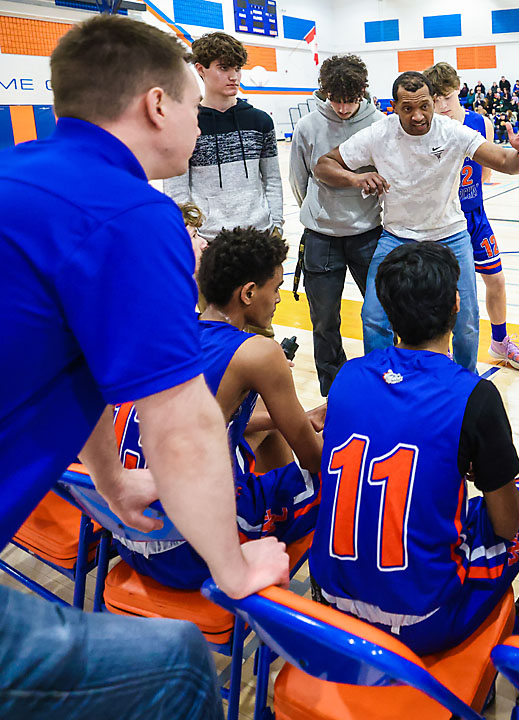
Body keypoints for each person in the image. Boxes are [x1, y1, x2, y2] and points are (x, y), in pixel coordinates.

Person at [0, 15, 289, 718]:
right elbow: (181, 424)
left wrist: (109, 475)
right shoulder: (129, 211)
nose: (199, 118)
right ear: (158, 104)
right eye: (194, 102)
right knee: (178, 662)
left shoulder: (22, 171)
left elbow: (73, 359)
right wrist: (234, 563)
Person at [309, 242, 519, 655]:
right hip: (422, 621)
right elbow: (507, 526)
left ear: (386, 313)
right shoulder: (474, 395)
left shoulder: (347, 377)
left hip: (328, 603)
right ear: (457, 305)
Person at [113, 227, 323, 590]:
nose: (277, 299)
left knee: (268, 429)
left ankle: (276, 510)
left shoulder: (169, 333)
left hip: (127, 534)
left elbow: (204, 417)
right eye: (275, 288)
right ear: (248, 292)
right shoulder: (257, 353)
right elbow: (316, 458)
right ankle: (300, 572)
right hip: (193, 549)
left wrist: (288, 419)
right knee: (344, 478)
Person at [313, 71, 519, 374]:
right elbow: (323, 165)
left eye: (424, 106)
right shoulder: (378, 134)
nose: (418, 116)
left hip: (450, 233)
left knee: (467, 320)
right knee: (373, 315)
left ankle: (463, 384)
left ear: (434, 102)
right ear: (393, 107)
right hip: (397, 235)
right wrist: (356, 177)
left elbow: (504, 161)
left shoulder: (453, 132)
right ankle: (384, 380)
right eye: (407, 108)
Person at [425, 61, 519, 370]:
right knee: (447, 293)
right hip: (442, 219)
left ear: (459, 91)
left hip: (474, 215)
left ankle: (500, 342)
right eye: (435, 99)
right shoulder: (429, 127)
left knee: (496, 280)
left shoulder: (479, 122)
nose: (442, 105)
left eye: (447, 97)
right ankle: (442, 351)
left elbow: (486, 174)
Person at [290, 54, 383, 397]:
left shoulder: (378, 123)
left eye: (350, 100)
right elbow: (299, 181)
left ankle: (382, 381)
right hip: (321, 237)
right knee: (324, 321)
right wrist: (317, 213)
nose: (343, 108)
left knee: (379, 315)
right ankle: (335, 391)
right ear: (325, 91)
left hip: (369, 235)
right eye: (336, 100)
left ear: (363, 92)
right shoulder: (308, 126)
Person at [163, 31, 283, 240]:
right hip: (209, 240)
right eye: (224, 68)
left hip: (260, 235)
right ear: (201, 69)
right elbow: (176, 190)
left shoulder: (260, 121)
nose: (234, 76)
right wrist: (191, 234)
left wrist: (277, 226)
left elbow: (272, 180)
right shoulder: (187, 124)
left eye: (237, 69)